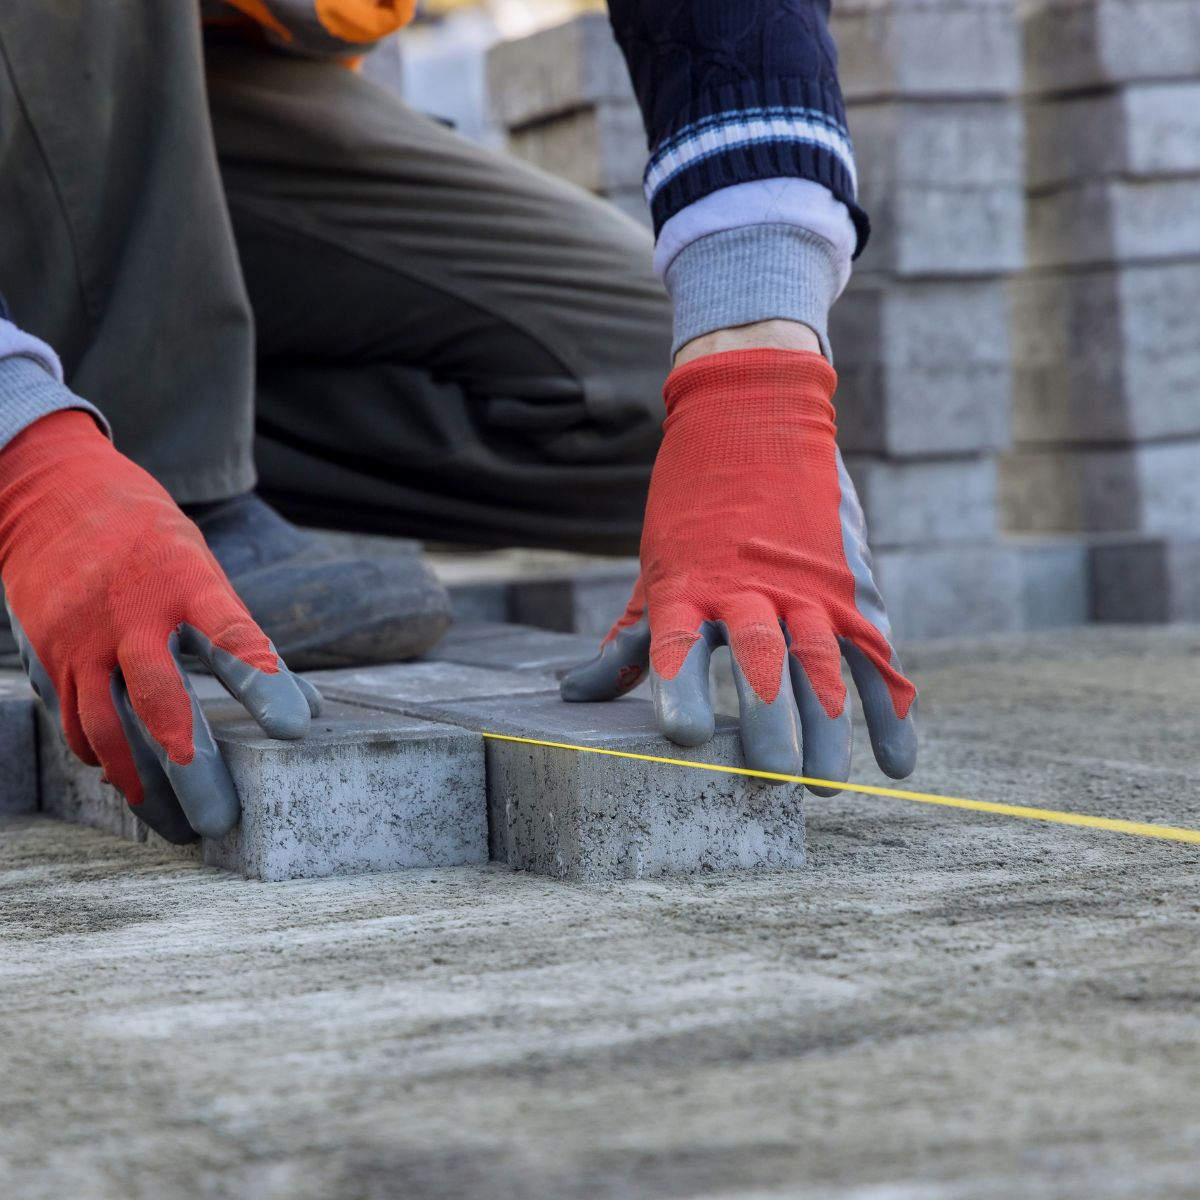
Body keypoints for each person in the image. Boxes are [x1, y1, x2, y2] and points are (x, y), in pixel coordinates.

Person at [0, 0, 917, 844]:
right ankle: (136, 500)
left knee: (638, 395)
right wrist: (25, 462)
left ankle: (158, 463)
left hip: (206, 102)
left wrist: (750, 362)